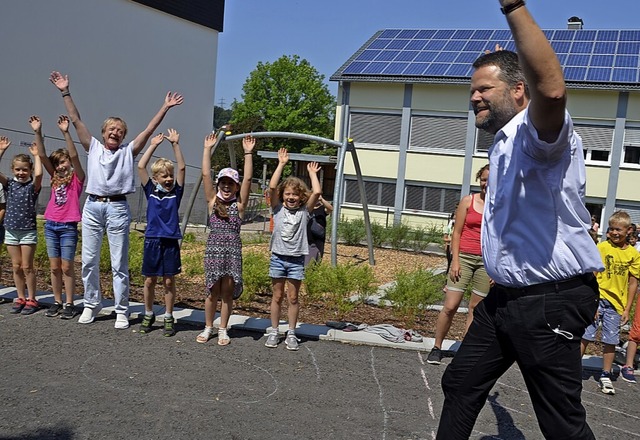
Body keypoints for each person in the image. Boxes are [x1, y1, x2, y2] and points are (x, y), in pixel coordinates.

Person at [436, 3, 605, 439]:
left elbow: (550, 92)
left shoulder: (539, 137)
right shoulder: (503, 144)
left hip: (549, 300)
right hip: (507, 298)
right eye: (472, 89)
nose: (474, 96)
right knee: (460, 382)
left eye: (484, 89)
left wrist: (512, 7)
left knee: (560, 423)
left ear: (517, 91)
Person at [49, 71, 183, 329]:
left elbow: (149, 129)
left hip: (118, 207)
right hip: (93, 206)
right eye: (111, 129)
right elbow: (75, 119)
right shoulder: (93, 147)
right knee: (89, 260)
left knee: (118, 262)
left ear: (123, 136)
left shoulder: (128, 152)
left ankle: (121, 309)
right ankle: (91, 304)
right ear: (103, 132)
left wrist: (165, 107)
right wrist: (65, 91)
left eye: (120, 131)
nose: (115, 133)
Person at [427, 164, 490, 365]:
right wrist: (454, 260)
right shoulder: (468, 201)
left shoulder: (501, 206)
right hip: (463, 257)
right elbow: (457, 232)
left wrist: (496, 269)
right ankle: (437, 347)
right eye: (483, 179)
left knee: (476, 309)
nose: (486, 184)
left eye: (491, 180)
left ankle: (465, 351)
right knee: (451, 306)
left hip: (486, 263)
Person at [196, 133, 255, 345]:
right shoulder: (213, 201)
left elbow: (248, 178)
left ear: (237, 187)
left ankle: (223, 329)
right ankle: (208, 327)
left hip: (232, 253)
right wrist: (207, 149)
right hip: (213, 251)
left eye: (231, 183)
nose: (227, 187)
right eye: (223, 183)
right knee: (212, 291)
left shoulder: (238, 206)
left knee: (227, 292)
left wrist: (248, 153)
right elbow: (205, 175)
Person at [264, 148, 321, 350]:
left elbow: (317, 192)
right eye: (287, 194)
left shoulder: (305, 212)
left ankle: (291, 332)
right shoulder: (277, 209)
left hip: (296, 258)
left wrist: (313, 174)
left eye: (295, 195)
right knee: (277, 296)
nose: (291, 197)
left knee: (293, 297)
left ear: (301, 197)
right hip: (278, 257)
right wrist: (281, 164)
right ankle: (274, 330)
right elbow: (272, 187)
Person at [31, 115, 85, 320]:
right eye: (58, 164)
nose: (61, 166)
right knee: (54, 267)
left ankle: (70, 303)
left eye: (63, 162)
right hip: (51, 224)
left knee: (67, 266)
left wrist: (66, 132)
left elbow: (75, 156)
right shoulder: (54, 178)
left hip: (68, 226)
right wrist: (37, 131)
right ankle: (57, 301)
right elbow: (43, 157)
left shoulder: (77, 179)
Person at [580, 211, 640, 394]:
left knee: (610, 339)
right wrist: (591, 300)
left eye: (618, 229)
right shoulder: (602, 248)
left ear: (628, 230)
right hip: (598, 299)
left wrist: (627, 308)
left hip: (616, 304)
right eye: (611, 229)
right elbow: (592, 275)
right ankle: (573, 371)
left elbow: (633, 282)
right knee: (586, 335)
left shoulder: (633, 254)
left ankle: (605, 374)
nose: (614, 232)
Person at [137, 129, 185, 337]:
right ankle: (148, 313)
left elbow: (182, 167)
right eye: (164, 175)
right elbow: (140, 165)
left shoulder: (176, 193)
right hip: (152, 240)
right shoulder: (151, 191)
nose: (169, 179)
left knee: (168, 281)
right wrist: (153, 145)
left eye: (170, 175)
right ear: (156, 178)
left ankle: (168, 316)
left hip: (170, 242)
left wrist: (175, 144)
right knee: (149, 280)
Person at [0, 136, 43, 315]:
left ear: (30, 170)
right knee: (16, 266)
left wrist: (37, 155)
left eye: (25, 170)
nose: (21, 173)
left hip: (27, 231)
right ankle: (20, 297)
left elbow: (40, 175)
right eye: (17, 169)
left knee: (27, 266)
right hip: (11, 229)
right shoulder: (10, 185)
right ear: (12, 170)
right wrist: (1, 150)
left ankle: (32, 298)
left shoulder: (32, 188)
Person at [304, 195, 333, 266]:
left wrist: (322, 199)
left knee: (318, 258)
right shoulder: (307, 208)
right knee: (307, 260)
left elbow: (330, 209)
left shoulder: (322, 208)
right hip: (308, 237)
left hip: (319, 238)